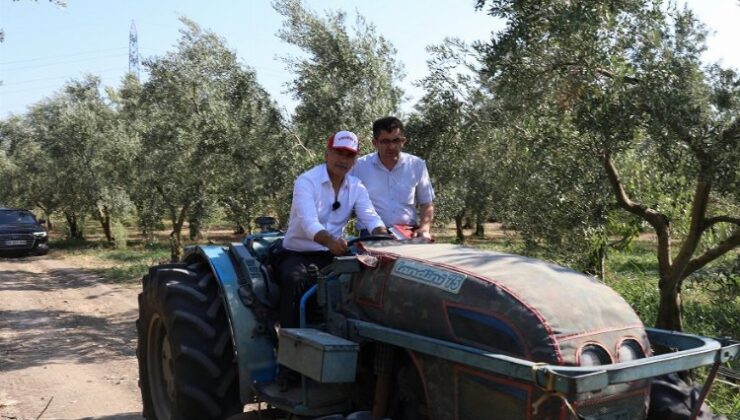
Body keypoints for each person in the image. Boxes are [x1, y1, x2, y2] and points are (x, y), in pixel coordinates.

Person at [279, 130, 387, 328]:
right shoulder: (307, 181)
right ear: (327, 154)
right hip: (298, 254)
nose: (343, 159)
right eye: (339, 153)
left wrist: (383, 235)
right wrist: (330, 241)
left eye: (349, 155)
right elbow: (308, 223)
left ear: (354, 160)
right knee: (294, 280)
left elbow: (371, 217)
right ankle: (290, 339)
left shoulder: (357, 187)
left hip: (333, 255)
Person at [350, 116, 435, 239]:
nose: (391, 146)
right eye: (385, 141)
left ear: (403, 141)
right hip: (371, 235)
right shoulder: (359, 167)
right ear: (375, 143)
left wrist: (424, 229)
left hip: (407, 233)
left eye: (396, 140)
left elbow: (426, 203)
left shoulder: (417, 165)